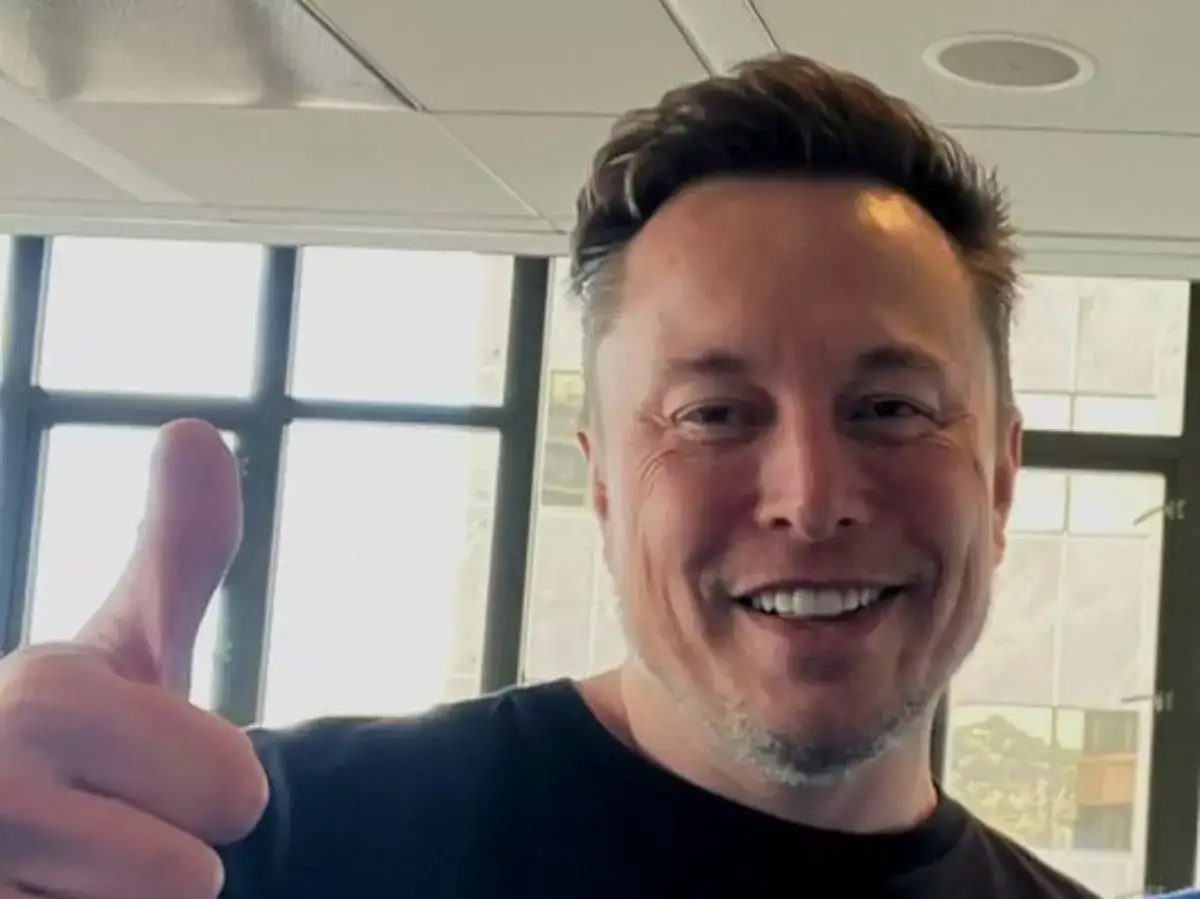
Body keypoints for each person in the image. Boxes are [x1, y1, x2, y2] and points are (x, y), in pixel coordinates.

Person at [0, 53, 1113, 898]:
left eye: (892, 409)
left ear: (1000, 477)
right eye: (714, 415)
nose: (812, 498)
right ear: (606, 486)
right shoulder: (236, 851)